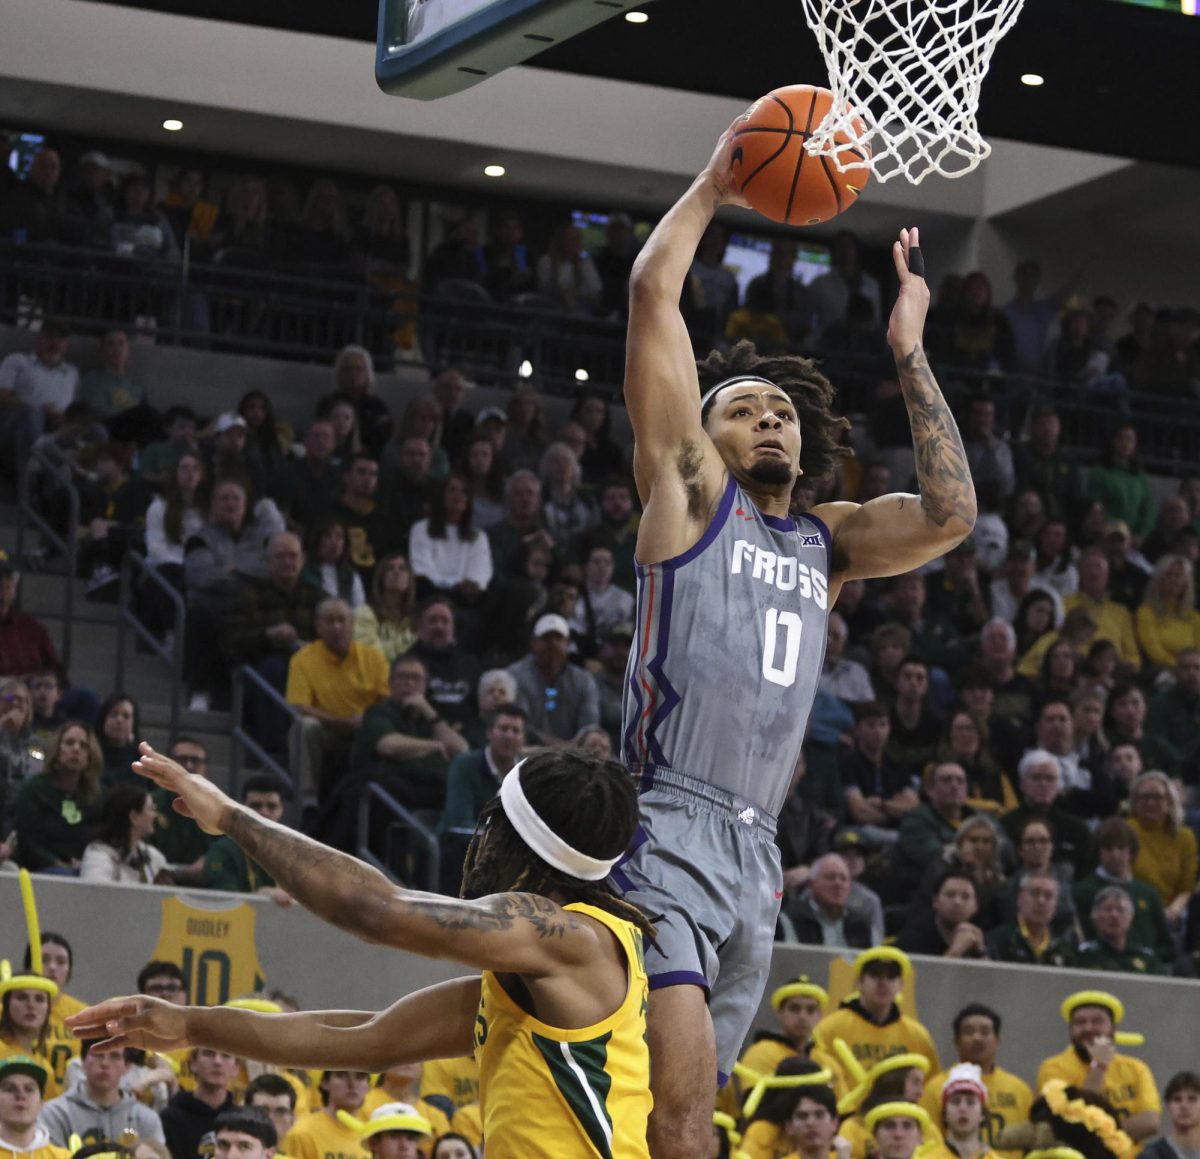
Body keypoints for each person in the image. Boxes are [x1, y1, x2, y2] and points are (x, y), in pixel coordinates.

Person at [69, 743, 656, 1157]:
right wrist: (192, 1026)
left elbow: (375, 910)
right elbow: (369, 1040)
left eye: (492, 823)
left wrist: (228, 815)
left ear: (515, 835)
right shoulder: (542, 977)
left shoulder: (572, 940)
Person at [285, 599, 389, 801]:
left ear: (352, 625)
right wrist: (343, 721)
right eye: (330, 621)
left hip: (365, 728)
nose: (336, 627)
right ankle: (306, 798)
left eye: (342, 620)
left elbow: (386, 700)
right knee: (304, 726)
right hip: (327, 729)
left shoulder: (374, 658)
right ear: (318, 626)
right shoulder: (302, 659)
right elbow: (302, 707)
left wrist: (367, 721)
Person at [349, 654, 469, 813]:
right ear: (390, 683)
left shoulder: (431, 718)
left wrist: (430, 713)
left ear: (425, 685)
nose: (410, 683)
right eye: (403, 677)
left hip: (435, 789)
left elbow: (461, 751)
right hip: (390, 790)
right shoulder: (378, 712)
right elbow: (388, 745)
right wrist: (435, 745)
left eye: (416, 678)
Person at [1036, 991, 1160, 1141]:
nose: (1088, 1028)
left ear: (1114, 1029)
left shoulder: (1136, 1068)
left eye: (1097, 1021)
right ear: (1071, 1029)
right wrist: (1099, 1066)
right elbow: (1073, 1124)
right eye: (1080, 1022)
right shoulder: (1053, 1068)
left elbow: (1151, 1122)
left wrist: (1097, 1136)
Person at [812, 948, 939, 1092]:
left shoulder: (917, 1035)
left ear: (901, 985)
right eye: (875, 975)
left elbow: (930, 1086)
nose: (882, 983)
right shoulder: (830, 1028)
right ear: (860, 982)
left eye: (891, 977)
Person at [921, 1005, 1032, 1143]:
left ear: (997, 1040)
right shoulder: (935, 1088)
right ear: (956, 1041)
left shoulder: (1020, 1090)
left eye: (985, 1032)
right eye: (969, 1032)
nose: (977, 1038)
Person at [39, 1039, 164, 1148]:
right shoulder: (55, 1113)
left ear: (127, 1066)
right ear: (82, 1060)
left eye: (114, 1056)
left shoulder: (146, 1119)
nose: (105, 1063)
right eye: (97, 1054)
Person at [12, 723, 103, 873]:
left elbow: (101, 840)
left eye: (83, 745)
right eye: (69, 743)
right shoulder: (34, 790)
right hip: (41, 868)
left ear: (89, 756)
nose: (76, 749)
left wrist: (86, 862)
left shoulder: (97, 795)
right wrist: (57, 863)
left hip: (86, 867)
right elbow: (28, 842)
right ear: (57, 750)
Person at [505, 614, 599, 743]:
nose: (552, 644)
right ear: (533, 642)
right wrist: (557, 747)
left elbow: (589, 726)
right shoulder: (514, 676)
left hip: (574, 754)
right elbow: (518, 723)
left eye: (558, 638)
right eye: (546, 638)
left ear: (568, 644)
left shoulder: (584, 680)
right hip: (526, 750)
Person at [202, 777, 293, 905]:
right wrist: (259, 897)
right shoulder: (223, 851)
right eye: (256, 806)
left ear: (281, 810)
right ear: (242, 809)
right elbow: (223, 904)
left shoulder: (294, 852)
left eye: (271, 806)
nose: (264, 812)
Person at [439, 703, 527, 833]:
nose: (509, 736)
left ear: (523, 739)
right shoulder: (464, 766)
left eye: (515, 730)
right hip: (462, 848)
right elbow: (459, 824)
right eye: (503, 728)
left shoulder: (527, 773)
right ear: (489, 733)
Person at [1126, 770, 1197, 920]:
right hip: (1133, 909)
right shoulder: (1125, 831)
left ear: (1169, 801)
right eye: (1145, 797)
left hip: (1173, 912)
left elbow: (1187, 888)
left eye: (1157, 797)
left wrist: (1172, 911)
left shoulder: (1185, 837)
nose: (1151, 802)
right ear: (1134, 801)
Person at [79, 783, 170, 884]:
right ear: (134, 817)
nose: (155, 815)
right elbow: (94, 894)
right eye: (151, 809)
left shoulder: (153, 856)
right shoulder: (98, 855)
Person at [159, 1048, 238, 1159]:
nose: (217, 1061)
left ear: (236, 1068)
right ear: (193, 1064)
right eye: (209, 1054)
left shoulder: (242, 1121)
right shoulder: (169, 1118)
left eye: (226, 1055)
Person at [782, 853, 873, 949]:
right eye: (830, 877)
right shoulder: (790, 919)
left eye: (843, 878)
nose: (838, 884)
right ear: (812, 884)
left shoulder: (861, 924)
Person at [985, 870, 1075, 966]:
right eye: (1035, 893)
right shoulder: (997, 941)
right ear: (1020, 898)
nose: (1041, 901)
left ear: (1056, 905)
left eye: (1048, 896)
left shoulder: (1064, 950)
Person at [1071, 886, 1165, 975]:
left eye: (1121, 910)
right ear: (1094, 916)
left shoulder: (1148, 959)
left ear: (1131, 917)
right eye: (1108, 909)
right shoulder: (1082, 956)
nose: (1114, 915)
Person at [895, 870, 987, 959]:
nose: (957, 902)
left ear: (975, 906)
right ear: (935, 901)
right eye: (950, 895)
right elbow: (918, 974)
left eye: (965, 897)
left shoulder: (977, 933)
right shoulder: (913, 937)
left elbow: (992, 974)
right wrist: (956, 951)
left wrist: (980, 950)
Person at [282, 1071, 372, 1159]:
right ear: (325, 1083)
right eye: (341, 1075)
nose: (352, 1085)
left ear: (369, 1086)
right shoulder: (302, 1133)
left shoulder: (373, 1136)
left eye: (360, 1077)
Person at [1136, 554, 1200, 670]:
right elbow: (1153, 651)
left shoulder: (1194, 616)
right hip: (1164, 670)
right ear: (1158, 579)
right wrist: (1179, 667)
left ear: (1186, 582)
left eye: (1178, 576)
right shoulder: (1146, 612)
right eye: (1168, 575)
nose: (1173, 580)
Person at [353, 553, 418, 664]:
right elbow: (369, 656)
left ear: (409, 578)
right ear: (381, 577)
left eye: (402, 568)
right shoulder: (364, 613)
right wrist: (408, 642)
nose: (396, 572)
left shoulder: (418, 617)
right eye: (390, 568)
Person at [0, 1053, 66, 1159]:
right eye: (10, 1088)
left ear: (41, 1102)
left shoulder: (64, 1157)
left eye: (29, 1089)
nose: (21, 1096)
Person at [1140, 1072, 1200, 1159]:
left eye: (1192, 1099)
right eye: (1177, 1099)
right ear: (1168, 1106)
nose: (1184, 1105)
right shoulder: (1150, 1156)